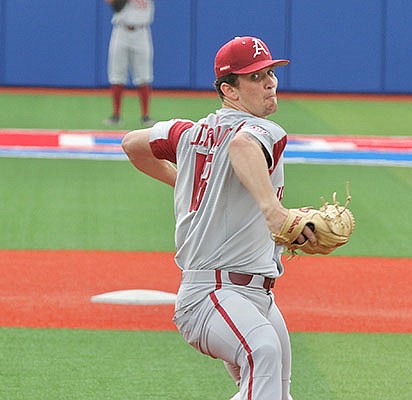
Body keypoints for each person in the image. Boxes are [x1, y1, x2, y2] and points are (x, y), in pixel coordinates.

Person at [122, 36, 317, 400]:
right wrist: (273, 212)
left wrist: (185, 182)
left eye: (270, 72)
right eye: (256, 77)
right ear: (229, 89)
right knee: (263, 352)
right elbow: (242, 146)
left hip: (253, 296)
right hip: (213, 295)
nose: (270, 81)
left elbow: (132, 143)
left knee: (277, 391)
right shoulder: (260, 130)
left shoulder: (187, 133)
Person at [104, 0, 155, 127]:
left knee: (144, 76)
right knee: (117, 74)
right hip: (121, 30)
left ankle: (145, 116)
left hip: (141, 31)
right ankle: (116, 115)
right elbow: (112, 4)